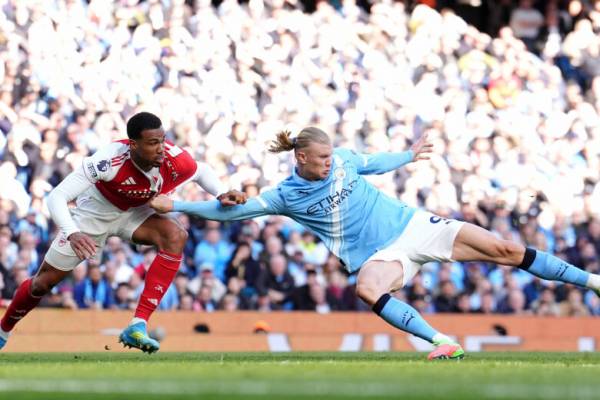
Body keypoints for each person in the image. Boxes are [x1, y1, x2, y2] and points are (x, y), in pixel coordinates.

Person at [149, 126, 600, 360]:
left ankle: (593, 282)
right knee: (367, 289)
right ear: (300, 157)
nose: (330, 163)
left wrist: (409, 155)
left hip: (416, 226)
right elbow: (230, 212)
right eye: (321, 158)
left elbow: (374, 162)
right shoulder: (284, 196)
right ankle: (443, 341)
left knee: (506, 250)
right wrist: (179, 205)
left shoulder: (343, 160)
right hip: (380, 255)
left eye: (331, 155)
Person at [0, 112, 246, 353]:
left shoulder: (175, 160)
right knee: (42, 284)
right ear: (133, 145)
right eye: (153, 143)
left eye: (162, 140)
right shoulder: (108, 161)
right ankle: (3, 330)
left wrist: (220, 192)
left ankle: (137, 324)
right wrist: (73, 233)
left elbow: (200, 171)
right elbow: (57, 196)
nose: (161, 149)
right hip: (96, 213)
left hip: (136, 212)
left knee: (175, 235)